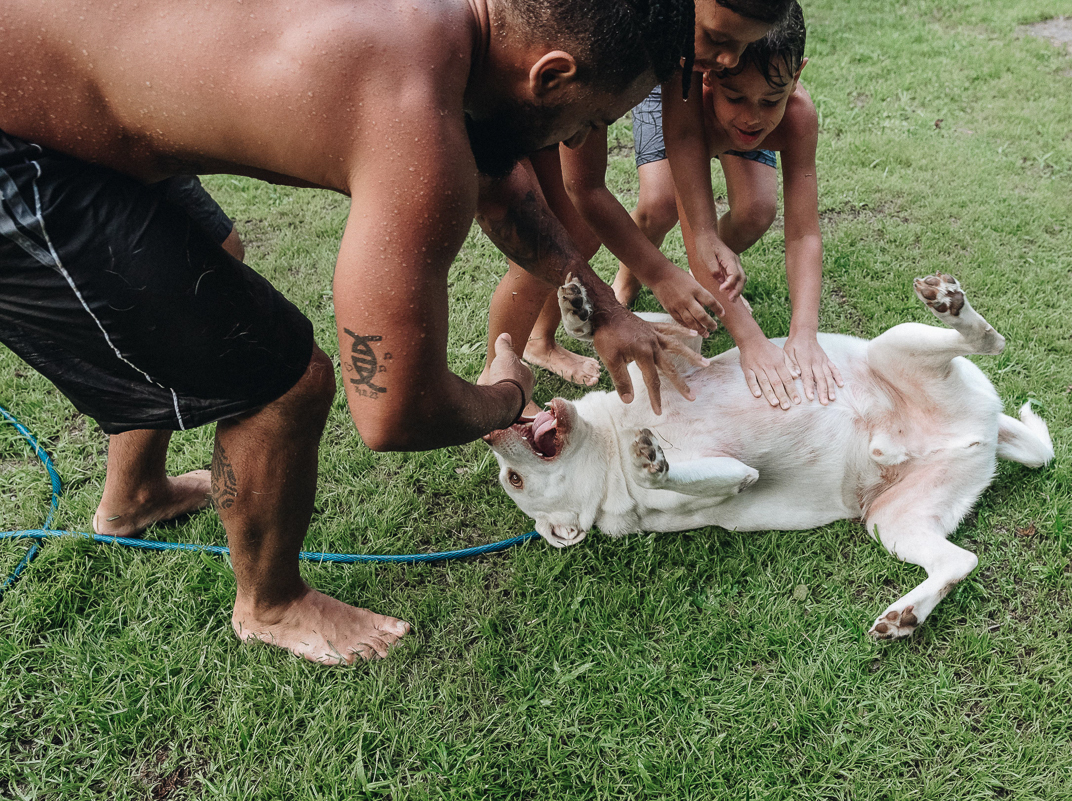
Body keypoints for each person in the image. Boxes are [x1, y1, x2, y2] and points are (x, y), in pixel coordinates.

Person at [0, 0, 698, 665]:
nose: (577, 140)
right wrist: (510, 394)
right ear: (549, 75)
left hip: (75, 95)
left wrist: (605, 310)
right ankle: (270, 604)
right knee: (284, 384)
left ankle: (135, 494)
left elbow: (506, 187)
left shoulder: (455, 32)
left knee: (215, 265)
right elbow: (395, 411)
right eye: (588, 120)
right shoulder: (414, 121)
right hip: (22, 148)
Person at [477, 0, 791, 410]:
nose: (728, 60)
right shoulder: (606, 39)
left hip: (561, 87)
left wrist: (704, 233)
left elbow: (681, 137)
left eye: (741, 45)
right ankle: (498, 375)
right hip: (524, 96)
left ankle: (537, 344)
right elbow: (584, 185)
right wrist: (656, 276)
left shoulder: (686, 44)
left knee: (577, 233)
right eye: (718, 38)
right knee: (553, 234)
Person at [655, 3, 843, 409]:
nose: (752, 118)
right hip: (691, 119)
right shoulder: (687, 94)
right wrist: (750, 339)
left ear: (796, 78)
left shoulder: (795, 117)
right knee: (658, 206)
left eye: (770, 101)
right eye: (736, 96)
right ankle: (631, 277)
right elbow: (697, 233)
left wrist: (804, 331)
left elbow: (805, 233)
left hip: (721, 115)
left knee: (757, 210)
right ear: (711, 75)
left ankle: (704, 277)